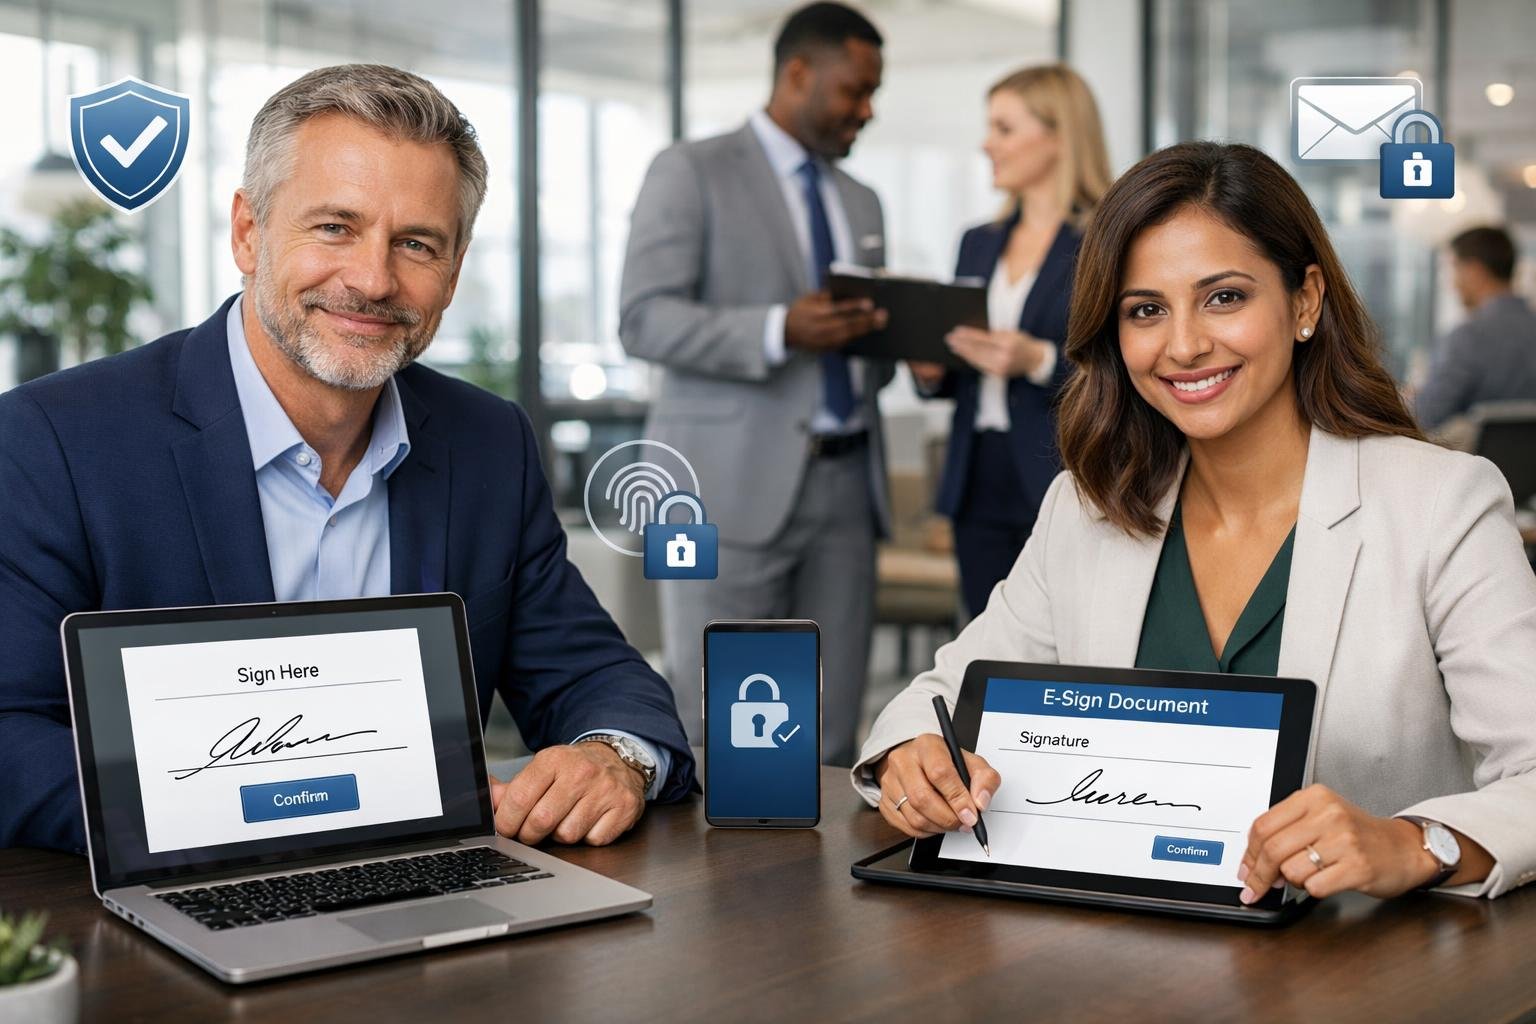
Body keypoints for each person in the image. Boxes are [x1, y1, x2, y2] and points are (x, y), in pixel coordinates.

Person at [0, 64, 695, 854]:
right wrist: (273, 808)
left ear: (454, 270)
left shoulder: (487, 443)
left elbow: (593, 675)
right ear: (247, 232)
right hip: (153, 920)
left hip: (432, 923)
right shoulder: (51, 441)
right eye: (334, 226)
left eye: (416, 243)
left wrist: (615, 757)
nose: (372, 279)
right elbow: (9, 737)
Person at [853, 141, 1536, 900]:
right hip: (1120, 970)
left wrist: (1415, 843)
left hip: (1359, 973)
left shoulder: (1441, 504)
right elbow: (938, 700)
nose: (1183, 345)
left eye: (1224, 297)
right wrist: (914, 754)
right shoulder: (1087, 509)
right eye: (1146, 310)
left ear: (1304, 301)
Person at [619, 2, 893, 766]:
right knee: (717, 720)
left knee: (830, 727)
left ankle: (824, 886)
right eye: (854, 90)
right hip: (713, 494)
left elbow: (866, 350)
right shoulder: (691, 171)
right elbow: (642, 319)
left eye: (874, 92)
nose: (866, 110)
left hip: (846, 491)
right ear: (797, 74)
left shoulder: (861, 200)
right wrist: (779, 328)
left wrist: (904, 344)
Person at [909, 64, 1111, 618]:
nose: (986, 144)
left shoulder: (1104, 241)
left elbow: (1127, 366)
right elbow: (959, 366)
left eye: (1004, 128)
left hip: (1063, 468)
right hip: (978, 476)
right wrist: (933, 371)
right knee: (984, 643)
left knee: (1070, 642)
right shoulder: (978, 242)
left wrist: (1039, 359)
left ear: (1058, 135)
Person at [1414, 225, 1536, 430]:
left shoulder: (1467, 338)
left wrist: (1412, 399)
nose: (1452, 284)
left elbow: (1424, 417)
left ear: (1475, 271)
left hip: (1481, 461)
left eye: (1454, 268)